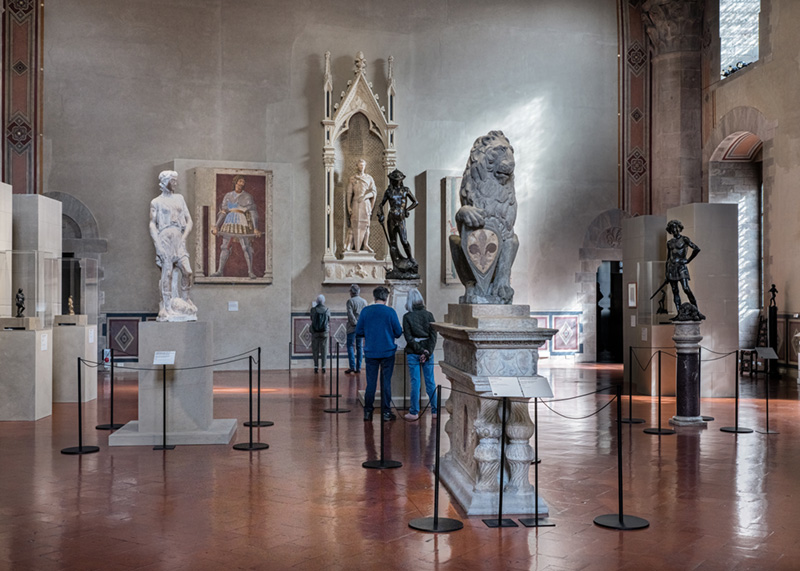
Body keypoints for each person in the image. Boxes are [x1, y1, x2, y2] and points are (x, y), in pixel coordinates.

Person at [149, 171, 197, 322]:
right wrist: (158, 246)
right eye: (173, 180)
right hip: (165, 238)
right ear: (165, 182)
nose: (175, 183)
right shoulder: (156, 202)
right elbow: (152, 224)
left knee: (187, 271)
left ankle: (186, 298)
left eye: (176, 180)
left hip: (178, 238)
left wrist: (184, 237)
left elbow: (189, 220)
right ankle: (166, 305)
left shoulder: (179, 198)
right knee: (167, 273)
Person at [355, 286, 402, 421]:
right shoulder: (390, 312)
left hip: (371, 351)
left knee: (371, 383)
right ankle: (386, 412)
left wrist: (369, 333)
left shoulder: (366, 311)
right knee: (386, 383)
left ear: (374, 297)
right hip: (387, 351)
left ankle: (368, 412)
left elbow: (358, 331)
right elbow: (398, 332)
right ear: (386, 298)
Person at [211, 175, 262, 278]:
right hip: (229, 221)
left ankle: (250, 271)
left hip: (242, 221)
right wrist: (216, 226)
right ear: (235, 182)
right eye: (240, 181)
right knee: (225, 247)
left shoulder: (247, 196)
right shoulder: (228, 195)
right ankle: (220, 271)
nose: (242, 183)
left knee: (246, 247)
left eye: (243, 182)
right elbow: (223, 212)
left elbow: (253, 212)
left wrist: (255, 228)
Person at [402, 288, 438, 421]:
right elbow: (434, 335)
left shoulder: (407, 317)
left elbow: (409, 338)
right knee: (430, 382)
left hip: (413, 352)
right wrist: (427, 352)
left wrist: (420, 350)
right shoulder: (429, 315)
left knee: (415, 382)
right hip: (428, 352)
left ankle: (414, 412)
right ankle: (435, 411)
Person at [377, 169, 418, 278]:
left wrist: (407, 210)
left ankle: (410, 259)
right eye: (394, 180)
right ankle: (396, 264)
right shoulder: (389, 191)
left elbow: (415, 202)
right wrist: (381, 214)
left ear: (401, 180)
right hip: (391, 218)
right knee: (393, 242)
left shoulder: (405, 190)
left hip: (400, 218)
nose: (396, 181)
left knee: (404, 241)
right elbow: (381, 204)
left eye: (398, 180)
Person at [665, 219, 700, 312]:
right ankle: (679, 312)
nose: (674, 230)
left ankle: (696, 309)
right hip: (671, 268)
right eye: (672, 229)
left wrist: (688, 260)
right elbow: (668, 259)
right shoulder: (669, 242)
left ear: (679, 228)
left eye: (675, 228)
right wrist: (666, 274)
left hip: (681, 267)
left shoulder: (684, 239)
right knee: (675, 290)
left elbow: (696, 249)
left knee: (686, 288)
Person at [344, 158, 377, 253]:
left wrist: (365, 196)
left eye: (363, 165)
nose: (361, 167)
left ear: (365, 166)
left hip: (365, 203)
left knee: (366, 224)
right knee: (353, 223)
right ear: (357, 166)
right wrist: (348, 206)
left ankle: (365, 244)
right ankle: (350, 245)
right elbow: (349, 193)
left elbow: (374, 192)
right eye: (360, 165)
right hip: (355, 202)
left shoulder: (369, 178)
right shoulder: (353, 178)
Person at [345, 284, 367, 374]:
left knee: (350, 346)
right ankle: (359, 367)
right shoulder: (364, 301)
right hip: (361, 327)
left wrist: (355, 323)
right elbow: (365, 315)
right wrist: (360, 324)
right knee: (359, 347)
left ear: (351, 292)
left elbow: (350, 314)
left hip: (352, 327)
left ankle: (352, 366)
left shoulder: (350, 301)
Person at [309, 294, 330, 374]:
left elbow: (311, 319)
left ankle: (316, 366)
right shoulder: (327, 309)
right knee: (324, 349)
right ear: (323, 301)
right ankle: (323, 366)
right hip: (324, 332)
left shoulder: (313, 310)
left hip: (315, 332)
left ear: (317, 301)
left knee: (315, 349)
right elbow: (329, 320)